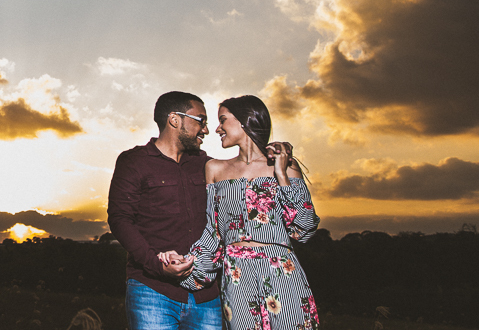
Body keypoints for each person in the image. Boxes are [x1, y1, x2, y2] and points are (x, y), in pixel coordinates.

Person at [165, 95, 320, 330]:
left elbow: (304, 228)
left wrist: (281, 174)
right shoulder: (215, 168)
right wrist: (186, 263)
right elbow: (213, 233)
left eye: (223, 120)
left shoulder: (286, 166)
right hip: (237, 276)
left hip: (283, 273)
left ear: (244, 121)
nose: (217, 128)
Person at [107, 91, 222, 330]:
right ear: (174, 119)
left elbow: (244, 178)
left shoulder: (207, 165)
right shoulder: (134, 161)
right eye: (200, 120)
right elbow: (120, 219)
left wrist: (269, 155)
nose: (206, 129)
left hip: (206, 295)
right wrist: (157, 265)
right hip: (152, 291)